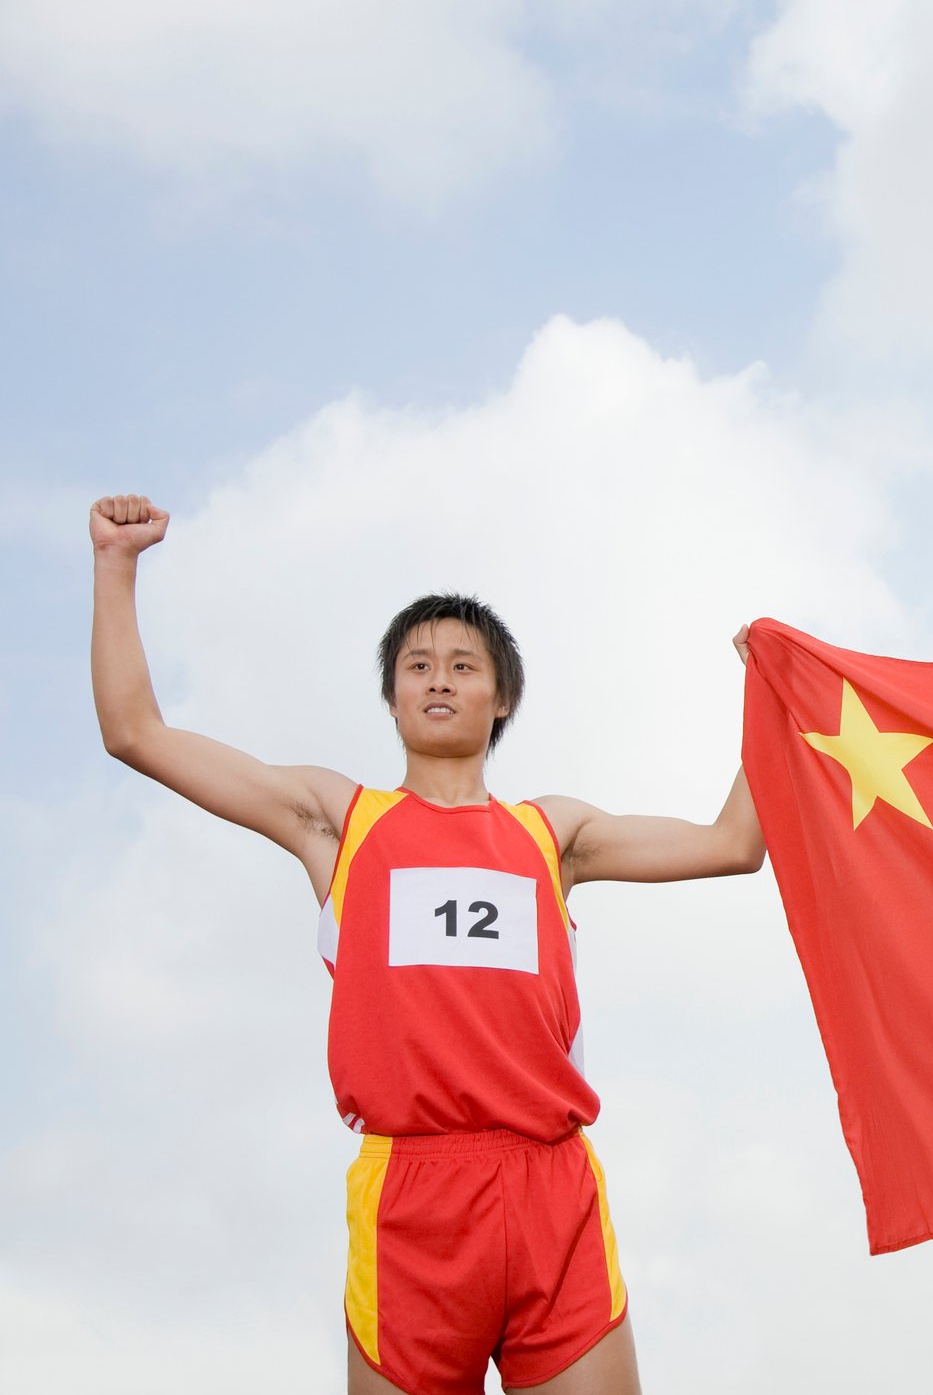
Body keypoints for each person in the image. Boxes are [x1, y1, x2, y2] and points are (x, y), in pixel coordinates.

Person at [89, 501, 764, 1395]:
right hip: (411, 1198)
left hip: (549, 1188)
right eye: (416, 666)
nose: (437, 679)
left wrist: (773, 692)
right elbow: (136, 733)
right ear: (393, 695)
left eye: (461, 665)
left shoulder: (551, 835)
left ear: (502, 697)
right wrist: (115, 565)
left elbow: (732, 844)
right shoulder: (338, 822)